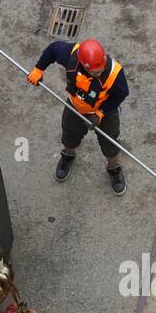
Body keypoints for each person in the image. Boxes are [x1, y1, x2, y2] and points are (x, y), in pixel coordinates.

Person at [27, 38, 129, 195]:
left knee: (110, 141)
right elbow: (53, 49)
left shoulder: (115, 74)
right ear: (84, 65)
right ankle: (68, 156)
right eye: (96, 72)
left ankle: (114, 168)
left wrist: (101, 113)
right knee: (69, 135)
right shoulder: (71, 55)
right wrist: (39, 69)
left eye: (102, 69)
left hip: (103, 109)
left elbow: (121, 94)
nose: (100, 73)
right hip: (75, 106)